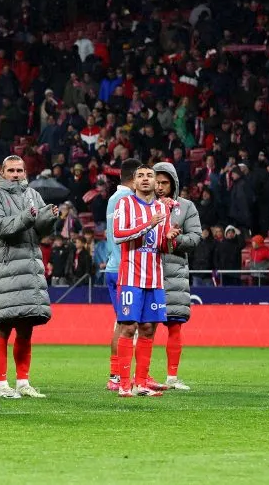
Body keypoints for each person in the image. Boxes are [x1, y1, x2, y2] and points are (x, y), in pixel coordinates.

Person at [0, 155, 59, 399]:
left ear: (25, 172)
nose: (16, 175)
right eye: (11, 170)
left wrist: (48, 217)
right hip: (5, 270)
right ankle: (1, 384)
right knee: (3, 327)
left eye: (19, 170)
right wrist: (28, 216)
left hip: (30, 269)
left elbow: (39, 232)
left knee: (26, 328)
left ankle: (23, 382)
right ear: (2, 172)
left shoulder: (33, 195)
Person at [112, 165, 181, 397]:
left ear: (155, 182)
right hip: (131, 276)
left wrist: (168, 238)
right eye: (140, 176)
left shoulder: (162, 207)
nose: (145, 179)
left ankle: (140, 383)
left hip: (155, 278)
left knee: (149, 329)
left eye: (149, 176)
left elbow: (163, 246)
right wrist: (149, 224)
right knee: (128, 327)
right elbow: (118, 235)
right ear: (133, 182)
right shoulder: (125, 204)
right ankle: (124, 385)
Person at [153, 162, 201, 391]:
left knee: (175, 326)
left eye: (165, 182)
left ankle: (172, 377)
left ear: (173, 184)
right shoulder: (144, 206)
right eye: (157, 182)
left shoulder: (186, 207)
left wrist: (174, 239)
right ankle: (142, 377)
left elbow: (195, 238)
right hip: (148, 272)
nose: (160, 187)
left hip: (175, 275)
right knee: (145, 327)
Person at [104, 157, 141, 391]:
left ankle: (116, 374)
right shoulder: (129, 199)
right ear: (135, 177)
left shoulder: (113, 199)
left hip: (113, 266)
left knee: (122, 322)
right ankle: (118, 376)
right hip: (125, 269)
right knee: (128, 325)